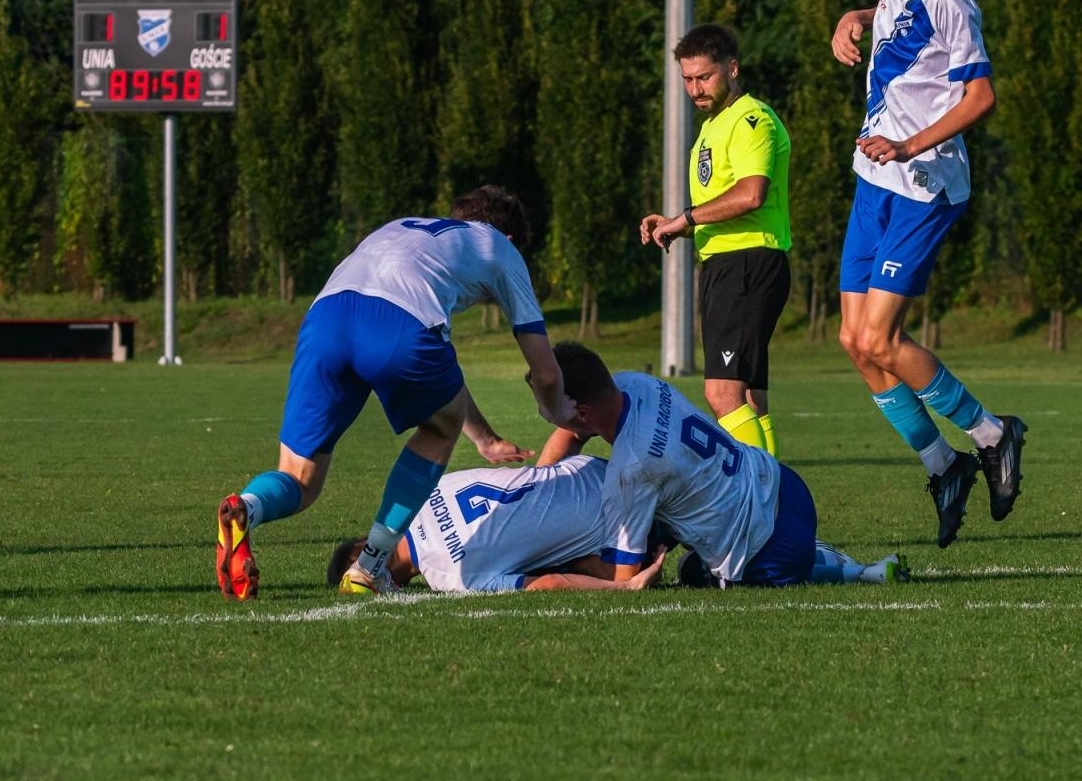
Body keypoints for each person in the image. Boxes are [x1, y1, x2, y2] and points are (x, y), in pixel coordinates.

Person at [216, 185, 573, 600]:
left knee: (299, 478)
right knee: (440, 431)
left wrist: (487, 439)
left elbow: (446, 380)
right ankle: (368, 568)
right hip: (397, 324)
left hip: (325, 317)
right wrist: (559, 416)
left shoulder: (410, 229)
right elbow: (546, 374)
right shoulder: (501, 248)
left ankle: (246, 507)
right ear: (511, 239)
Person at [828, 0, 1025, 548]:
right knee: (854, 342)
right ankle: (943, 466)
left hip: (923, 183)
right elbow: (887, 16)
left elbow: (980, 96)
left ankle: (993, 434)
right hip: (873, 176)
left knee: (881, 337)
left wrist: (910, 144)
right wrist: (852, 18)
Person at [539, 342, 908, 588]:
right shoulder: (635, 384)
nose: (543, 412)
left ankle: (857, 574)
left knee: (692, 571)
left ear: (582, 411)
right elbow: (575, 431)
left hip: (771, 549)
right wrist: (536, 486)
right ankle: (832, 554)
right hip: (785, 485)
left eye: (547, 402)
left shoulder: (631, 469)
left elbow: (624, 577)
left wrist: (559, 562)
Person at [640, 24, 792, 455]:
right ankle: (772, 498)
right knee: (747, 397)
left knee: (722, 394)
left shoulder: (750, 120)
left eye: (704, 77)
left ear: (732, 68)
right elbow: (723, 199)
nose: (695, 88)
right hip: (730, 263)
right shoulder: (713, 125)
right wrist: (678, 223)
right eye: (687, 79)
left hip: (747, 262)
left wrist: (685, 217)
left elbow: (750, 193)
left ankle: (758, 499)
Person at [328, 455, 667, 593]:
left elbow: (547, 584)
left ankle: (665, 552)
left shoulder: (448, 578)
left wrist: (624, 587)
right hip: (593, 467)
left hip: (617, 527)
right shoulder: (426, 492)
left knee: (592, 570)